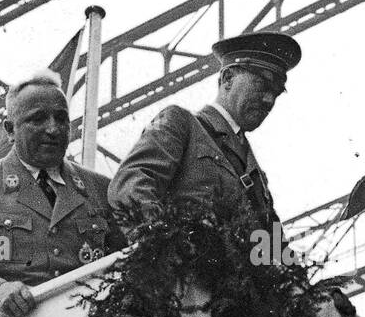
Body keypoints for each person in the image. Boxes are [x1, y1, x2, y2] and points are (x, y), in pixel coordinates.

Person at [0, 70, 126, 317]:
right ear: (10, 130)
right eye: (38, 119)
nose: (53, 129)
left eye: (61, 118)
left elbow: (130, 262)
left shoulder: (100, 188)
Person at [107, 32, 301, 233]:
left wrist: (290, 264)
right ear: (227, 79)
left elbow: (276, 244)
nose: (269, 100)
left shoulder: (257, 175)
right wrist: (161, 245)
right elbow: (131, 185)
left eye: (276, 93)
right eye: (261, 85)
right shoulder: (181, 124)